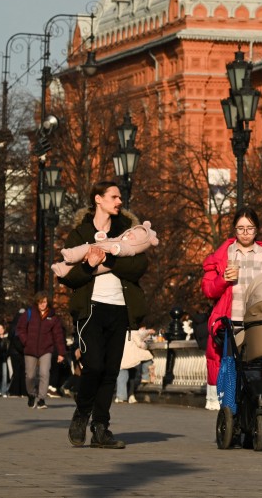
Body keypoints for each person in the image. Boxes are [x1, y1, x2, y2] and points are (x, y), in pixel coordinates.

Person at [57, 180, 148, 449]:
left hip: (120, 309)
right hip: (91, 309)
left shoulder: (127, 231)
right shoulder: (80, 234)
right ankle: (81, 413)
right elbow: (68, 277)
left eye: (120, 197)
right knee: (94, 366)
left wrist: (107, 259)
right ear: (98, 199)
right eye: (114, 197)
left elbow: (138, 266)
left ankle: (100, 428)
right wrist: (88, 267)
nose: (119, 201)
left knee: (110, 372)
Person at [201, 208, 262, 406]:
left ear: (257, 230)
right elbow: (208, 290)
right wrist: (223, 279)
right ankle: (229, 406)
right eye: (241, 228)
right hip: (230, 321)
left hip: (259, 321)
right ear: (234, 230)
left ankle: (253, 406)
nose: (245, 233)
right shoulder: (223, 256)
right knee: (231, 367)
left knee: (256, 367)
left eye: (250, 228)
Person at [17, 291, 67, 409]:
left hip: (46, 349)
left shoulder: (53, 316)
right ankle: (31, 394)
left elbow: (58, 335)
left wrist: (61, 353)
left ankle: (41, 399)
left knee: (44, 373)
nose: (42, 304)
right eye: (40, 302)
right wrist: (26, 341)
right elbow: (20, 328)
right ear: (37, 302)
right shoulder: (29, 313)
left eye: (44, 302)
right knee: (30, 376)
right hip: (30, 349)